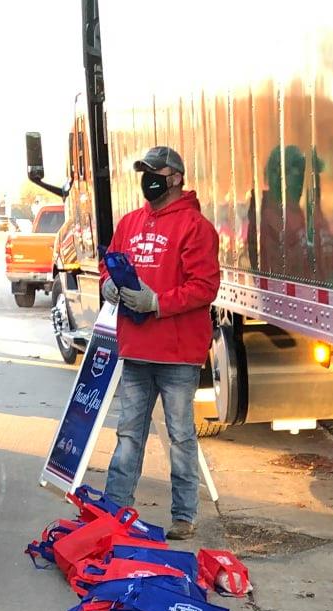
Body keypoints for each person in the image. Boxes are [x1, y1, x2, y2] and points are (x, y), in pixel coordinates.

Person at [101, 146, 221, 540]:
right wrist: (108, 283)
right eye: (144, 171)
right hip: (136, 348)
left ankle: (183, 516)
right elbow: (111, 260)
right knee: (128, 434)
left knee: (180, 436)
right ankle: (113, 511)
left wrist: (157, 303)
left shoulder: (195, 227)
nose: (148, 178)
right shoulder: (131, 222)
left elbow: (205, 286)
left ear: (176, 178)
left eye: (155, 171)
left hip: (177, 353)